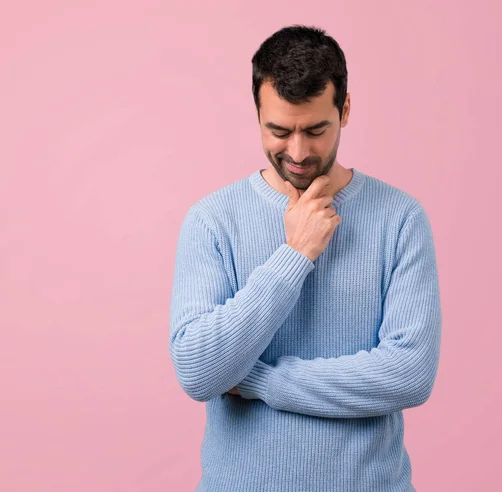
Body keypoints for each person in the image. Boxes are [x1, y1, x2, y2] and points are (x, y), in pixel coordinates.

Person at [169, 24, 441, 492]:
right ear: (257, 115)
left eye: (316, 130)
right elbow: (198, 372)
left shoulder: (400, 219)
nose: (297, 152)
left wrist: (262, 381)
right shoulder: (213, 220)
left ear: (346, 109)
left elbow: (409, 374)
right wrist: (294, 255)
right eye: (279, 131)